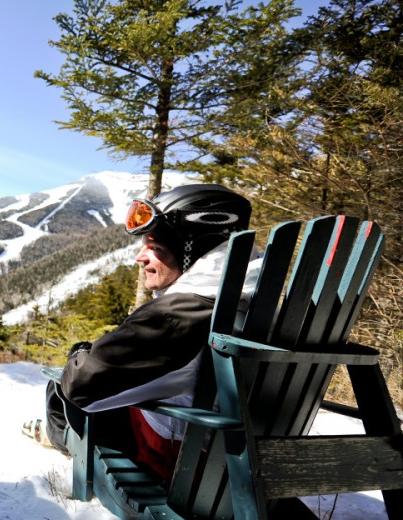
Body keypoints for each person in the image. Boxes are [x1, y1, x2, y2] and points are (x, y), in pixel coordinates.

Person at [23, 183, 258, 483]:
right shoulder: (255, 298)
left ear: (192, 252)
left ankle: (58, 437)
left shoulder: (180, 315)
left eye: (155, 247)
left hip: (182, 465)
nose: (140, 256)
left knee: (63, 383)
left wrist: (79, 353)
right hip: (235, 454)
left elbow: (82, 386)